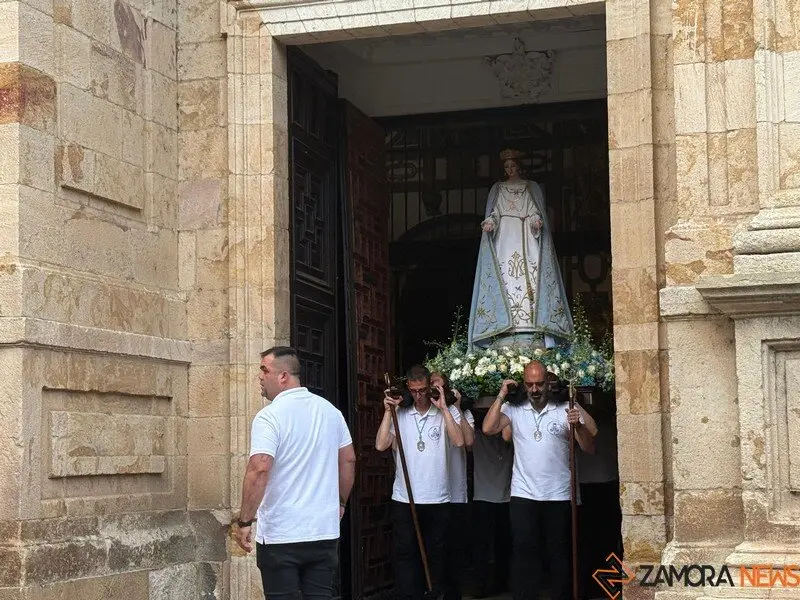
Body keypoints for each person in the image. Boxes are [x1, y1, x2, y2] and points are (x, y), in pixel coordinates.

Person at [235, 346, 356, 600]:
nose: (260, 376)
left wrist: (245, 521)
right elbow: (348, 459)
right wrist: (341, 502)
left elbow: (259, 468)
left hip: (282, 535)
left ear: (283, 376)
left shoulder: (269, 417)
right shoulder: (331, 412)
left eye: (264, 369)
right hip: (323, 532)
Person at [482, 361, 597, 600]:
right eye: (530, 384)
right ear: (524, 385)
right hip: (524, 494)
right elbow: (488, 428)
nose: (535, 389)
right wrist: (501, 395)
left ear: (549, 383)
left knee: (558, 552)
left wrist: (578, 424)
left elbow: (589, 443)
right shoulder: (514, 409)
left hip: (558, 494)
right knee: (524, 552)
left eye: (539, 384)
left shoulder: (565, 407)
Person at [467, 149, 572, 350]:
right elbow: (495, 212)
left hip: (525, 236)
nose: (510, 170)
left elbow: (534, 210)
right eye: (507, 167)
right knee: (506, 274)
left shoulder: (529, 187)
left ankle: (531, 322)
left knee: (528, 275)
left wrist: (535, 221)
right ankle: (505, 323)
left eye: (513, 166)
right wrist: (490, 222)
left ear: (519, 166)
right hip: (505, 239)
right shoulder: (498, 188)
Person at [376, 365, 465, 600]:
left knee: (437, 553)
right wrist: (387, 412)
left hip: (438, 497)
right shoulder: (401, 413)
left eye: (423, 390)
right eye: (414, 391)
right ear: (408, 388)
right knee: (406, 554)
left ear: (430, 387)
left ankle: (436, 594)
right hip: (405, 498)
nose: (418, 395)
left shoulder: (445, 411)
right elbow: (380, 444)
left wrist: (444, 407)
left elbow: (459, 442)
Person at [430, 372, 475, 600]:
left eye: (441, 386)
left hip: (456, 494)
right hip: (433, 494)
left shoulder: (460, 412)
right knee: (435, 549)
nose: (437, 390)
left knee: (454, 550)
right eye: (433, 386)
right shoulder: (427, 414)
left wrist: (455, 406)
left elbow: (467, 442)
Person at [577, 399, 622, 599]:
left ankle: (609, 587)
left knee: (604, 540)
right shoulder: (583, 420)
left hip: (605, 483)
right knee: (595, 540)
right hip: (588, 484)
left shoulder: (602, 422)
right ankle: (602, 588)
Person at [470, 413, 513, 598]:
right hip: (483, 498)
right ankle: (482, 585)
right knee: (483, 546)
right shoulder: (476, 437)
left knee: (502, 546)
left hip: (506, 498)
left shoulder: (509, 438)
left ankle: (500, 583)